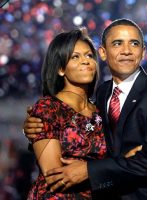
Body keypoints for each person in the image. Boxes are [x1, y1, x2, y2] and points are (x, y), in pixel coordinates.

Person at [24, 18, 147, 199]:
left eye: (134, 44)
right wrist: (38, 129)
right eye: (118, 43)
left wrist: (90, 170)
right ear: (103, 53)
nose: (126, 51)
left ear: (143, 52)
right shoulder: (103, 94)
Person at [26, 27, 108, 199]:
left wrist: (91, 171)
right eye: (75, 57)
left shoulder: (103, 111)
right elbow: (54, 176)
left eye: (89, 56)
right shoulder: (48, 108)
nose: (85, 61)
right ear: (61, 69)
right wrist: (102, 171)